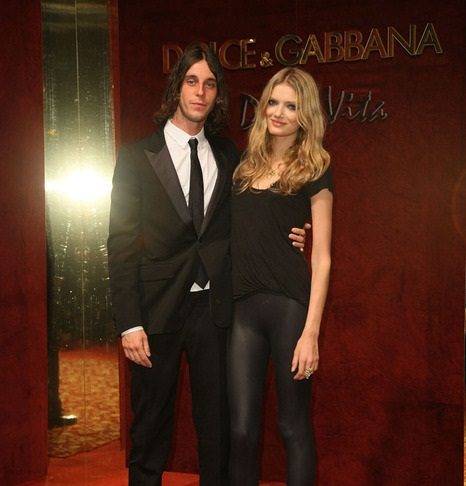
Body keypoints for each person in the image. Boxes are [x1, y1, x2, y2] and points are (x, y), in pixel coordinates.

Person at [107, 44, 306, 486]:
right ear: (177, 87)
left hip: (215, 310)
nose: (200, 92)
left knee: (217, 430)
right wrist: (129, 322)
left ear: (218, 95)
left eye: (210, 84)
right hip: (155, 311)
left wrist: (296, 231)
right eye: (192, 81)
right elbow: (120, 245)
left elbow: (256, 212)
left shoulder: (229, 155)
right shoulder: (137, 157)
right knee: (150, 429)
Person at [228, 67, 333, 486]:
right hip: (242, 310)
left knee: (292, 425)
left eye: (291, 106)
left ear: (305, 115)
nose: (279, 112)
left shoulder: (315, 168)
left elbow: (322, 257)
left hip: (290, 308)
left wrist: (311, 333)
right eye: (273, 102)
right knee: (241, 431)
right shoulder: (244, 166)